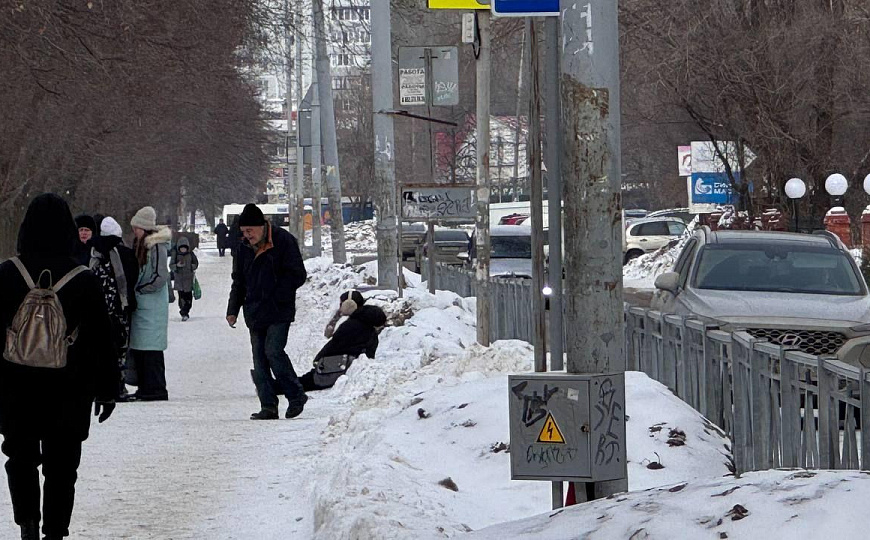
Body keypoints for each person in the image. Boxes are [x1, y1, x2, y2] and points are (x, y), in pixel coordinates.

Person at [0, 194, 118, 540]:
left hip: (15, 388)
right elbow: (101, 339)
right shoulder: (83, 279)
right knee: (63, 465)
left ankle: (27, 524)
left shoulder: (6, 274)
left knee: (20, 458)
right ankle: (54, 531)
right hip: (69, 389)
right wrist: (107, 390)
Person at [227, 203, 308, 420]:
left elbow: (298, 274)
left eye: (250, 231)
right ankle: (268, 406)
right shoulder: (243, 247)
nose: (246, 235)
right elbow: (239, 280)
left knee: (273, 351)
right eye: (243, 232)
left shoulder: (283, 241)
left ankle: (296, 395)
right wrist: (233, 309)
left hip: (278, 308)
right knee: (259, 358)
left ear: (262, 226)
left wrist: (277, 292)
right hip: (254, 310)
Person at [89, 217, 139, 399]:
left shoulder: (93, 252)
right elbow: (132, 277)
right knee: (120, 347)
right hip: (120, 307)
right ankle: (118, 385)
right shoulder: (124, 253)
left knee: (100, 348)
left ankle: (100, 386)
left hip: (98, 309)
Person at [299, 290, 387, 391]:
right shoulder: (369, 327)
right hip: (351, 368)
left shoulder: (350, 325)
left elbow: (332, 346)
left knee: (298, 383)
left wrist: (317, 360)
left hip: (338, 368)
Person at [128, 206, 172, 401]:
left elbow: (160, 275)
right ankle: (146, 386)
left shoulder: (156, 246)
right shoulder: (143, 245)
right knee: (142, 347)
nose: (134, 231)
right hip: (144, 303)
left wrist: (140, 288)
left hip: (151, 304)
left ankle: (155, 387)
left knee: (151, 348)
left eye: (136, 227)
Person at [170, 236, 198, 321]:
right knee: (181, 298)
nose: (183, 250)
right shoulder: (175, 255)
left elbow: (195, 263)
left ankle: (185, 311)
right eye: (181, 248)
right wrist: (177, 266)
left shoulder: (191, 254)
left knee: (189, 298)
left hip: (188, 280)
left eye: (184, 248)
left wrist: (191, 266)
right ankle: (183, 312)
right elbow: (171, 266)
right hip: (179, 280)